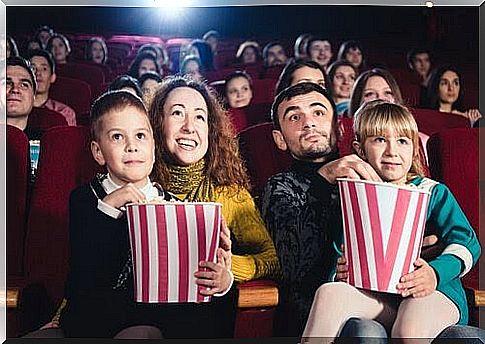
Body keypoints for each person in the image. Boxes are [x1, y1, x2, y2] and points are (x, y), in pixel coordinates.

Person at [301, 100, 481, 343]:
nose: (392, 151)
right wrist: (340, 271)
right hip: (378, 297)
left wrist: (435, 273)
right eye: (379, 140)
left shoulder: (432, 192)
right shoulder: (355, 196)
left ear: (414, 149)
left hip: (433, 292)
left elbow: (467, 242)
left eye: (402, 141)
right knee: (328, 293)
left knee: (408, 331)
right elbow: (340, 247)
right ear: (360, 149)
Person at [58, 90, 233, 338]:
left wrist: (223, 282)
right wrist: (108, 208)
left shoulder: (174, 206)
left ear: (153, 146)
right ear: (98, 152)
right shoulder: (86, 200)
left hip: (161, 322)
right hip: (98, 322)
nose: (132, 146)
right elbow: (84, 278)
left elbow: (194, 286)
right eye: (117, 137)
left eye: (141, 136)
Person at [148, 75, 280, 336]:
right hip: (141, 315)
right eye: (177, 113)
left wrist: (229, 271)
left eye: (199, 117)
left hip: (203, 317)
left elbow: (272, 259)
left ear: (211, 130)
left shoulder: (228, 193)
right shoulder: (139, 185)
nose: (189, 126)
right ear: (156, 124)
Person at [260, 82, 345, 337]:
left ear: (338, 128)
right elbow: (296, 267)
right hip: (310, 314)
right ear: (280, 139)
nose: (308, 123)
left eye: (318, 113)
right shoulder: (278, 187)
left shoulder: (366, 175)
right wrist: (323, 179)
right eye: (295, 117)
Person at [28, 49, 77, 126]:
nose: (38, 73)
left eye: (44, 69)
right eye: (33, 68)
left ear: (52, 77)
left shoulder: (64, 113)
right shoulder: (13, 109)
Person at [6, 56, 37, 133]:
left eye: (24, 85)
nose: (15, 89)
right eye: (7, 83)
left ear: (34, 96)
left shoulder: (47, 141)